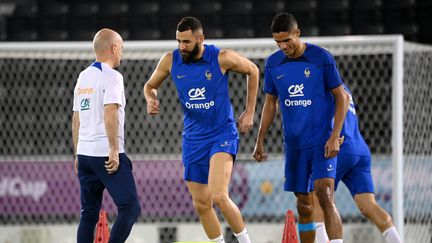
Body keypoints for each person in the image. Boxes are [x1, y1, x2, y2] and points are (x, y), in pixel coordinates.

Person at [143, 17, 259, 243]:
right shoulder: (170, 61)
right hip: (193, 139)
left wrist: (250, 111)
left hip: (222, 134)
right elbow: (150, 86)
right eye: (178, 41)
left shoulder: (221, 57)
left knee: (219, 196)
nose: (181, 47)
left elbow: (253, 70)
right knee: (201, 204)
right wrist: (151, 99)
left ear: (200, 39)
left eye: (186, 42)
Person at [253, 12, 349, 243]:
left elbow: (341, 98)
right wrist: (260, 139)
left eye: (287, 40)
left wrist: (335, 135)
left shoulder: (321, 58)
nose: (283, 46)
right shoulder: (273, 63)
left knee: (326, 195)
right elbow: (270, 103)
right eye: (278, 41)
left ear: (297, 33)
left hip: (321, 141)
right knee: (304, 205)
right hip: (294, 145)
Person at [72, 28, 141, 243]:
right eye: (121, 48)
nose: (122, 52)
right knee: (130, 207)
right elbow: (110, 110)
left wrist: (77, 153)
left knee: (89, 213)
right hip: (106, 154)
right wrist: (113, 149)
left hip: (84, 154)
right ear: (113, 47)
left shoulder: (83, 76)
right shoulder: (112, 76)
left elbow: (76, 118)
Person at [313, 84, 402, 243]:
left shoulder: (321, 79)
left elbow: (343, 100)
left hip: (340, 148)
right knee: (367, 205)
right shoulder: (340, 83)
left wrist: (335, 134)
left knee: (319, 199)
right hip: (359, 148)